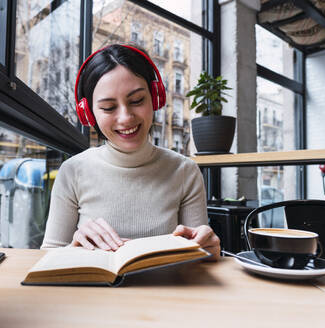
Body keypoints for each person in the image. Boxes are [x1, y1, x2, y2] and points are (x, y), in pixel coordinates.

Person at [41, 44, 220, 260]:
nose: (126, 118)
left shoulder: (184, 171)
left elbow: (200, 258)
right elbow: (48, 255)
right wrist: (74, 246)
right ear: (88, 113)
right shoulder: (72, 171)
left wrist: (210, 251)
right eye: (108, 107)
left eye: (137, 101)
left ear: (155, 97)